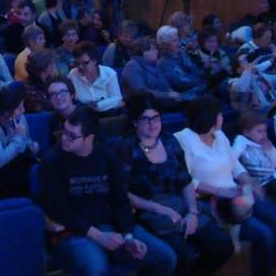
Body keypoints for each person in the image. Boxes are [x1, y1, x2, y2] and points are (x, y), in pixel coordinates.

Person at [40, 107, 177, 276]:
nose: (64, 139)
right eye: (65, 132)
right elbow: (59, 210)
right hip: (71, 230)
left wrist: (128, 236)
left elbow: (121, 199)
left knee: (165, 257)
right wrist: (98, 236)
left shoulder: (106, 156)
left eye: (72, 136)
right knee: (97, 268)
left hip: (109, 224)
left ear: (90, 138)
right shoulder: (52, 160)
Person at [115, 93, 234, 276]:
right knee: (183, 255)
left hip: (180, 204)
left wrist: (193, 212)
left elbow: (185, 181)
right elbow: (124, 193)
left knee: (223, 246)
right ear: (135, 122)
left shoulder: (169, 141)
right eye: (145, 119)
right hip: (148, 209)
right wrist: (159, 209)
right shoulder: (126, 148)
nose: (152, 124)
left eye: (155, 118)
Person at [174, 95, 276, 275]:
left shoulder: (219, 135)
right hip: (213, 200)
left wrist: (248, 180)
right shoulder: (183, 139)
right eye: (219, 114)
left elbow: (235, 165)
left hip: (237, 192)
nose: (222, 117)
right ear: (208, 117)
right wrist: (221, 192)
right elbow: (186, 179)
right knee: (264, 234)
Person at [0, 87, 38, 200]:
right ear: (7, 111)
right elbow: (1, 160)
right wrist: (18, 137)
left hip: (15, 170)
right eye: (19, 108)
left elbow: (26, 141)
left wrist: (31, 145)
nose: (23, 111)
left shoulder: (19, 119)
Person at [232, 111, 276, 205]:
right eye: (259, 131)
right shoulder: (241, 141)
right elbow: (232, 158)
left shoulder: (264, 143)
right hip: (265, 182)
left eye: (265, 131)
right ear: (247, 132)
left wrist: (270, 150)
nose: (264, 135)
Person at [120, 37, 183, 109]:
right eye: (153, 49)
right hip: (143, 106)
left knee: (191, 101)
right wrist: (168, 95)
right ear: (143, 51)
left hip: (161, 102)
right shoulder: (132, 66)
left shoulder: (154, 65)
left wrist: (174, 94)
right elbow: (142, 92)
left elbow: (166, 86)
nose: (157, 51)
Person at [67, 41, 123, 114]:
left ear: (94, 61)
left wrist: (98, 105)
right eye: (77, 63)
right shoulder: (72, 75)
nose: (80, 66)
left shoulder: (109, 73)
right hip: (83, 116)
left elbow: (117, 99)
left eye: (85, 63)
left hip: (108, 115)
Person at [156, 25, 207, 96]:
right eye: (174, 41)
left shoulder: (181, 54)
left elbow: (195, 70)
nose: (178, 43)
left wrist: (206, 71)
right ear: (164, 45)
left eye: (178, 39)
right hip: (186, 96)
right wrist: (201, 80)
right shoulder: (164, 63)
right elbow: (180, 84)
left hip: (199, 87)